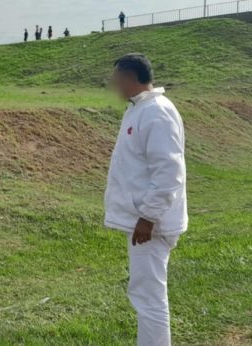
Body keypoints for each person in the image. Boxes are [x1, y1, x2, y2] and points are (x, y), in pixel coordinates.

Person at [106, 53, 187, 346]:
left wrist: (148, 217)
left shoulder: (157, 112)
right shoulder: (140, 110)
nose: (112, 84)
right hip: (144, 222)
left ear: (129, 77)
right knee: (145, 293)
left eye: (115, 78)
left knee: (148, 297)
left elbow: (169, 172)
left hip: (151, 226)